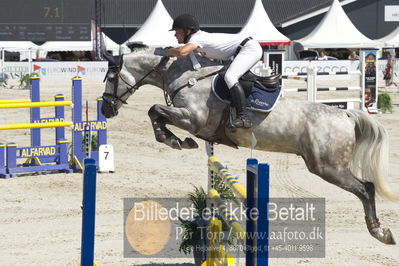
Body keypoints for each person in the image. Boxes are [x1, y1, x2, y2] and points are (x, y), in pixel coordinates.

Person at [165, 14, 262, 128]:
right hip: (240, 50)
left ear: (187, 31)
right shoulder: (196, 40)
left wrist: (167, 52)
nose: (175, 34)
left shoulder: (196, 38)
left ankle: (243, 118)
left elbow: (182, 52)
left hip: (249, 48)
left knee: (230, 77)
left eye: (177, 31)